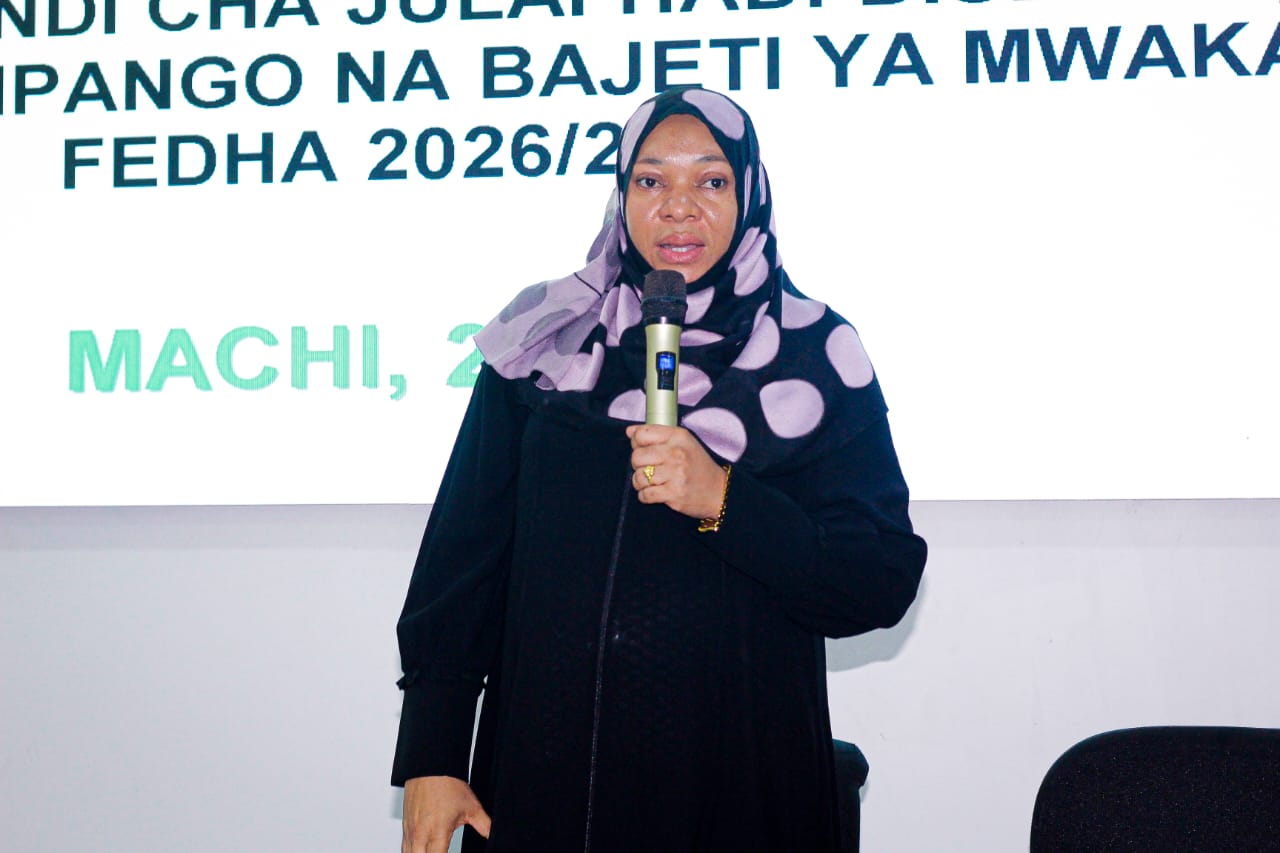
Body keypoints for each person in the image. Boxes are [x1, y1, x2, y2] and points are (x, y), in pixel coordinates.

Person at [392, 87, 927, 853]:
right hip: (547, 785)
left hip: (739, 795)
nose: (679, 206)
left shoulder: (814, 353)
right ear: (622, 194)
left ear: (748, 194)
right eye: (651, 179)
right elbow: (462, 559)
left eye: (710, 180)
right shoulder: (546, 340)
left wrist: (724, 499)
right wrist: (434, 751)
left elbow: (878, 576)